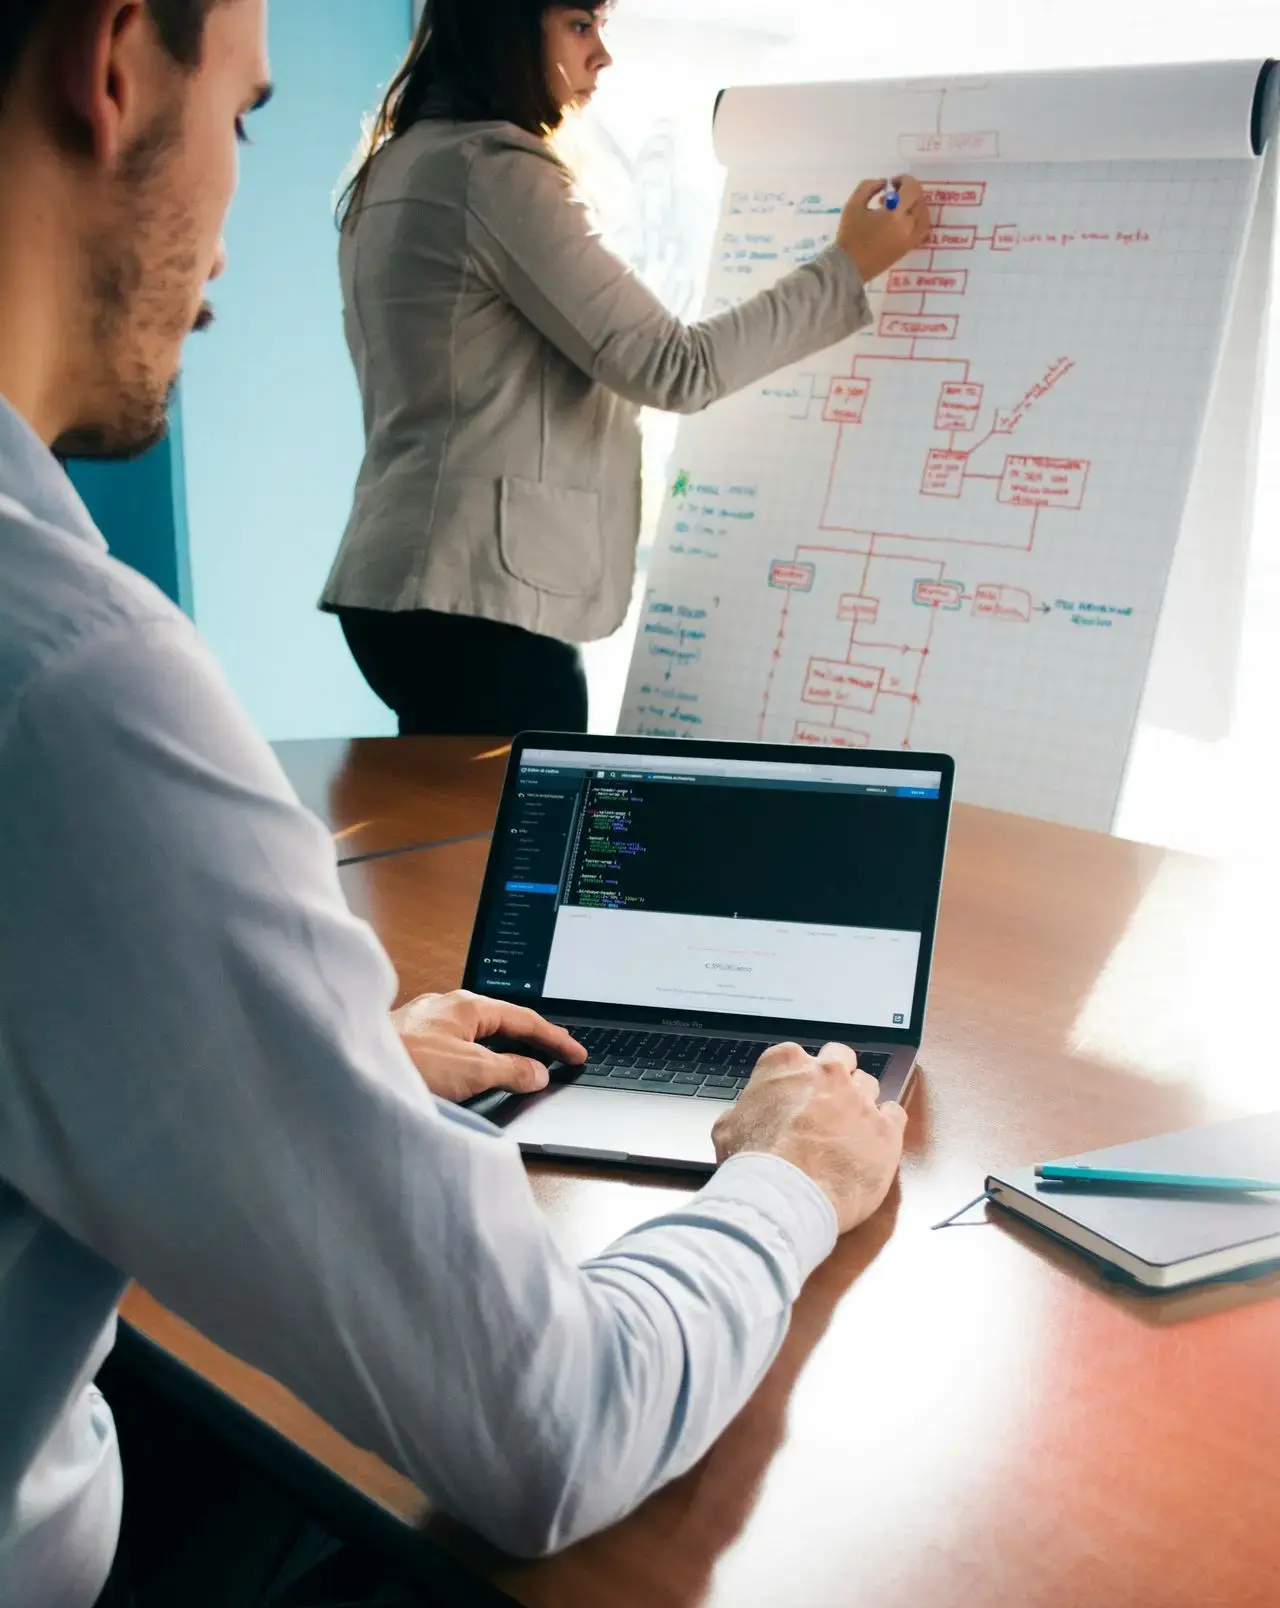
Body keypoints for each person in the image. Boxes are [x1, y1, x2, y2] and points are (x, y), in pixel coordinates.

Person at [0, 4, 909, 1605]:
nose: (228, 213)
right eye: (246, 117)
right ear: (117, 62)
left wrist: (315, 1060)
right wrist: (788, 1171)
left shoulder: (399, 170)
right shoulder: (72, 688)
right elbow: (551, 1427)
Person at [321, 0, 930, 736]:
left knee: (453, 847)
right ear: (506, 27)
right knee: (530, 846)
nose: (602, 55)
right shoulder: (492, 175)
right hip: (479, 604)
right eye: (581, 25)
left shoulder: (400, 163)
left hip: (403, 589)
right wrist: (848, 266)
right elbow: (676, 365)